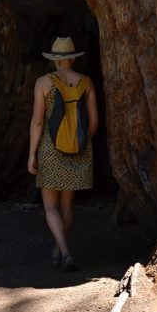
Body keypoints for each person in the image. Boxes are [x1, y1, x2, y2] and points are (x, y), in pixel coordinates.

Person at [28, 37, 99, 272]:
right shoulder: (86, 82)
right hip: (79, 149)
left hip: (50, 148)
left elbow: (38, 121)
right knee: (68, 204)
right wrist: (79, 142)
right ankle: (60, 250)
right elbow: (94, 122)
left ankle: (64, 250)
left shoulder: (43, 83)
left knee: (50, 207)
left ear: (55, 59)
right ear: (72, 58)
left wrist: (32, 154)